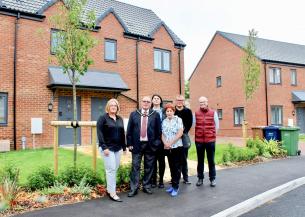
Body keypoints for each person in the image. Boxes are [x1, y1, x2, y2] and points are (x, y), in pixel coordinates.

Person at [127, 96, 161, 197]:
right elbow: (129, 130)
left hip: (150, 145)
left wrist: (156, 144)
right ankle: (134, 188)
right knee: (135, 166)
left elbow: (159, 132)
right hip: (137, 145)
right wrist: (129, 144)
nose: (146, 103)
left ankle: (146, 186)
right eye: (144, 101)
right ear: (141, 102)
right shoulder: (134, 114)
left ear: (150, 103)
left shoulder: (155, 115)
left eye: (148, 102)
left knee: (149, 167)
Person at [97, 98, 126, 202]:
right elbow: (99, 133)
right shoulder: (103, 118)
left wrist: (124, 147)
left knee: (115, 169)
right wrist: (104, 147)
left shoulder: (119, 119)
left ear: (117, 107)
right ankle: (113, 193)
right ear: (108, 107)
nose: (113, 107)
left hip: (118, 148)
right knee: (111, 170)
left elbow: (122, 134)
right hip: (107, 149)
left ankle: (109, 189)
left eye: (115, 105)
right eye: (111, 105)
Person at [195, 96, 219, 187]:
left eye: (203, 102)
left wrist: (212, 135)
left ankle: (212, 179)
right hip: (199, 141)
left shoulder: (213, 113)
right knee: (200, 161)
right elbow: (194, 125)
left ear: (207, 102)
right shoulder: (196, 113)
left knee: (211, 161)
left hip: (210, 141)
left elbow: (217, 126)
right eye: (200, 103)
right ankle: (200, 178)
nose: (202, 104)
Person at [162, 103, 184, 197]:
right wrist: (165, 143)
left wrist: (170, 143)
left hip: (177, 147)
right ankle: (173, 184)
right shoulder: (164, 121)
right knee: (171, 166)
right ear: (165, 112)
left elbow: (180, 133)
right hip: (168, 147)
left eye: (171, 111)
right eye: (167, 111)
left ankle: (176, 187)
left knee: (176, 167)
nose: (169, 112)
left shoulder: (178, 120)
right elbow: (162, 134)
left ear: (173, 111)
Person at [174, 95, 193, 184]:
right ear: (176, 101)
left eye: (181, 100)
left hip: (184, 136)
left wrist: (182, 132)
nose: (179, 102)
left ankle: (185, 178)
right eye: (178, 100)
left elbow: (189, 123)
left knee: (184, 158)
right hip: (174, 138)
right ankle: (174, 178)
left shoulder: (188, 111)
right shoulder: (173, 111)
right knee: (175, 159)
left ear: (183, 101)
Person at [150, 94, 166, 188]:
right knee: (153, 161)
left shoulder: (164, 111)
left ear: (160, 101)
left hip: (162, 139)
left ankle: (161, 181)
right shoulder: (149, 111)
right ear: (152, 101)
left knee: (161, 160)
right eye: (154, 98)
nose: (156, 100)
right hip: (152, 139)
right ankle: (153, 180)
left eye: (158, 98)